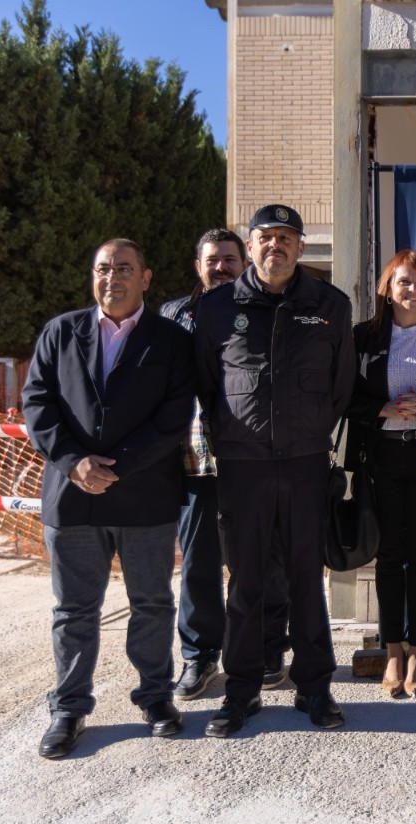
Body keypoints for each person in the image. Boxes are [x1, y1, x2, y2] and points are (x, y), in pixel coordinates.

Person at [21, 238, 195, 758]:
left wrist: (113, 467)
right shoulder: (60, 332)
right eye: (102, 268)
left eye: (124, 268)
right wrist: (74, 462)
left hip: (144, 497)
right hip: (73, 498)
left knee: (151, 603)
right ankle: (69, 708)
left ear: (145, 277)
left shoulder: (171, 341)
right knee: (74, 610)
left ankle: (156, 697)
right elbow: (36, 402)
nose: (111, 277)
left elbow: (174, 417)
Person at [194, 204, 356, 736]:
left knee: (309, 581)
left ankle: (315, 689)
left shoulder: (330, 304)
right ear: (252, 244)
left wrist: (309, 434)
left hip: (307, 464)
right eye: (266, 238)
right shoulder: (217, 307)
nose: (276, 247)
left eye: (286, 238)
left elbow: (341, 387)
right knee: (245, 584)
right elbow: (205, 386)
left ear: (300, 247)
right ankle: (240, 693)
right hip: (243, 469)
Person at [160, 229, 291, 700]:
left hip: (254, 459)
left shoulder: (264, 308)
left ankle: (270, 647)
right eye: (212, 259)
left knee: (263, 559)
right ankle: (199, 655)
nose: (222, 267)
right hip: (194, 460)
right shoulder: (173, 316)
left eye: (230, 259)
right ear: (198, 265)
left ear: (246, 262)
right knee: (198, 563)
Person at [347, 250, 416, 699]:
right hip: (382, 460)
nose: (411, 290)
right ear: (386, 289)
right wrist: (382, 409)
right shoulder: (361, 338)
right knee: (390, 557)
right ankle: (393, 649)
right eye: (403, 282)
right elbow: (343, 400)